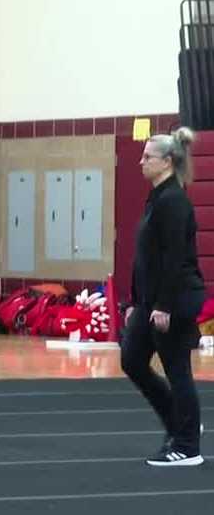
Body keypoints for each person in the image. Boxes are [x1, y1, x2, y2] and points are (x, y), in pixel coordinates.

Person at [121, 127, 205, 467]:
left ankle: (187, 446)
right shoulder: (157, 197)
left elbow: (174, 259)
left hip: (173, 300)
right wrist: (134, 303)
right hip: (149, 301)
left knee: (177, 370)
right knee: (132, 360)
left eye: (147, 157)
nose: (141, 162)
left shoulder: (174, 201)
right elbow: (145, 257)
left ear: (167, 162)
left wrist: (164, 306)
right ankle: (179, 420)